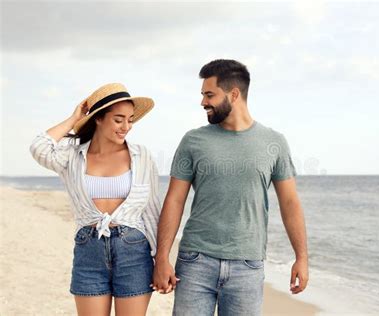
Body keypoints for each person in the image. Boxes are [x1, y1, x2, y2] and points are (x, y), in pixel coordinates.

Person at [152, 59, 309, 315]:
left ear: (234, 94)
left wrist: (301, 257)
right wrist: (162, 257)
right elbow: (174, 200)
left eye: (209, 94)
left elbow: (290, 202)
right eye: (203, 94)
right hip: (195, 262)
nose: (203, 102)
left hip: (247, 266)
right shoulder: (193, 141)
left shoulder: (274, 143)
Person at [30, 83, 161, 316]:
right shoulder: (72, 156)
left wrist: (160, 259)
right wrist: (74, 118)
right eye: (118, 119)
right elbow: (39, 147)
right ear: (98, 119)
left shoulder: (141, 156)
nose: (126, 127)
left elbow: (151, 212)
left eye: (130, 120)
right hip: (88, 250)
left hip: (133, 250)